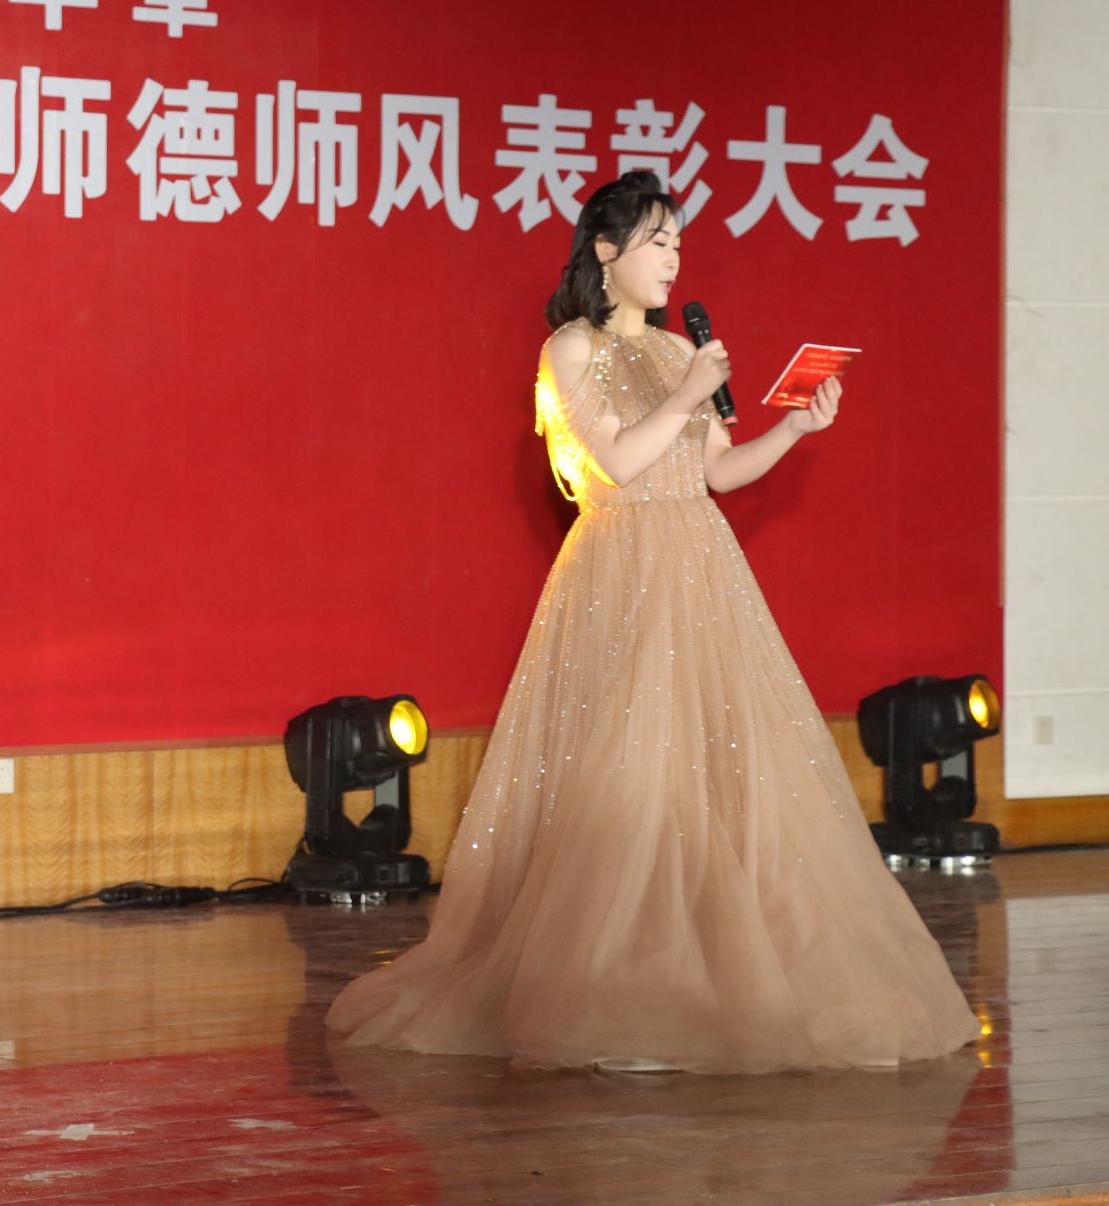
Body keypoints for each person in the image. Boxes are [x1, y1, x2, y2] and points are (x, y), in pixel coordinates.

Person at [328, 171, 978, 1074]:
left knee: (720, 773)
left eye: (678, 243)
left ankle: (714, 979)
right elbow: (616, 463)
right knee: (627, 774)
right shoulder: (569, 348)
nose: (673, 259)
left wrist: (795, 427)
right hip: (619, 572)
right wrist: (685, 394)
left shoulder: (681, 351)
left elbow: (718, 471)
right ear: (606, 251)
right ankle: (610, 990)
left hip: (701, 566)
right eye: (657, 241)